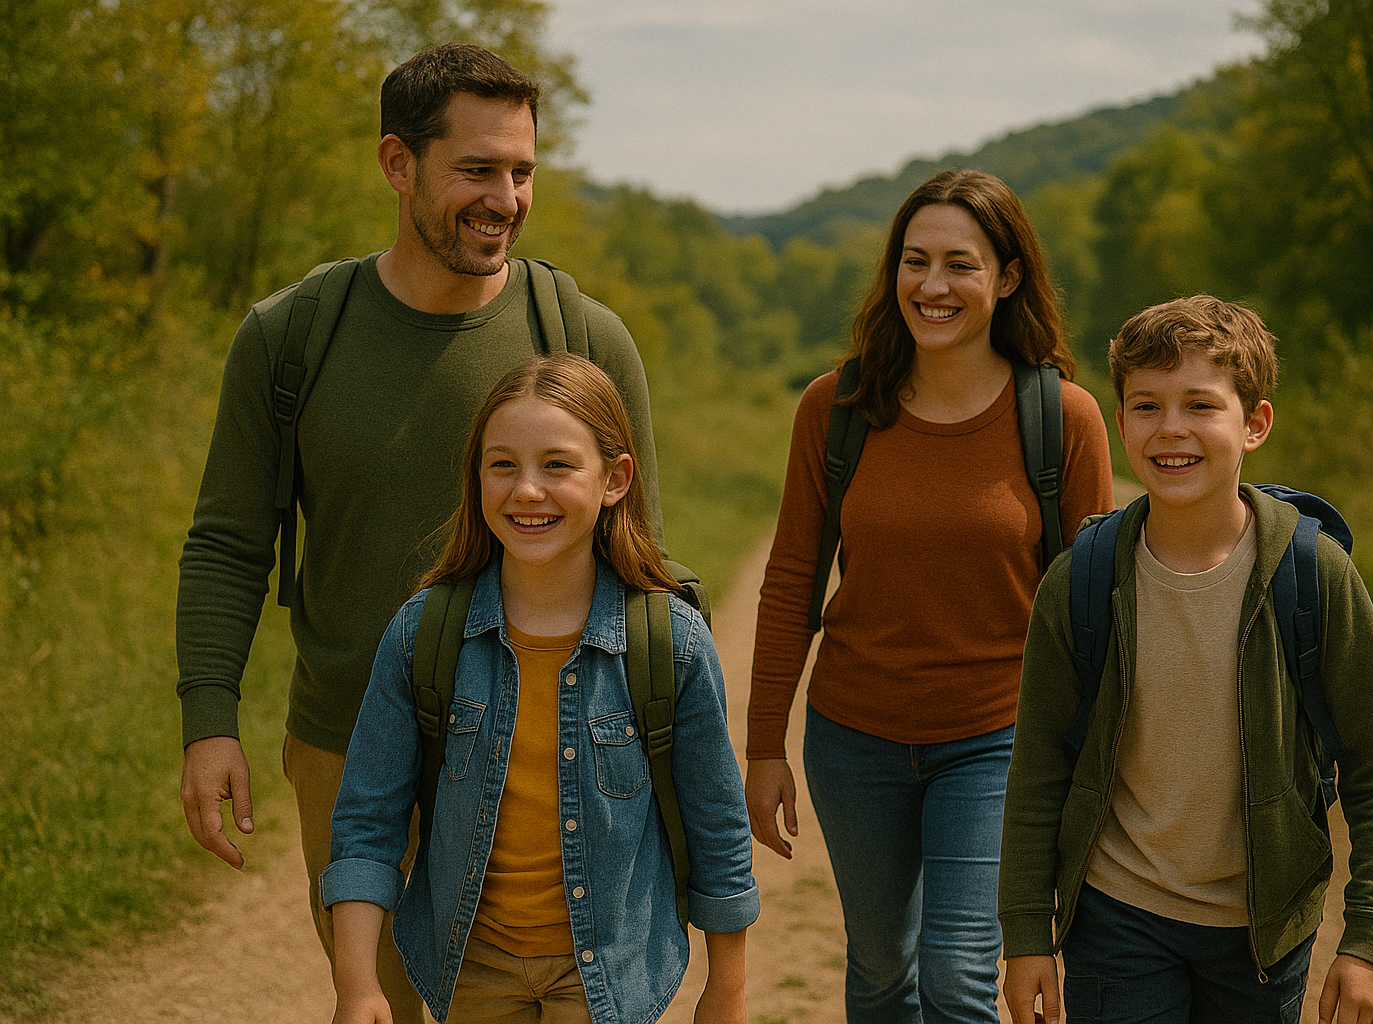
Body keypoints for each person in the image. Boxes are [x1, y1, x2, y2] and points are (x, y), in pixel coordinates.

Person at [175, 45, 665, 1023]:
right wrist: (209, 718)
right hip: (350, 749)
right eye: (477, 169)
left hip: (546, 749)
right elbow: (231, 542)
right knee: (380, 1005)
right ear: (398, 164)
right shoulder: (291, 337)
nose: (507, 197)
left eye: (522, 171)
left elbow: (640, 564)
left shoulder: (582, 339)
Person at [745, 168, 1115, 1023]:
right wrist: (766, 744)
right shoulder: (834, 409)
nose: (933, 286)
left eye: (960, 263)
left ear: (1009, 276)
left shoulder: (1064, 419)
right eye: (915, 262)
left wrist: (1098, 766)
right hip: (853, 738)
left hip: (997, 743)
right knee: (880, 967)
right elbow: (791, 582)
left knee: (956, 977)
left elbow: (1100, 614)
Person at [997, 296, 1373, 1024]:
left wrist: (1371, 938)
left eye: (1200, 405)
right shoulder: (1082, 580)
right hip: (1117, 914)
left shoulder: (1313, 576)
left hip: (1265, 929)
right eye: (1147, 405)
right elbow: (1038, 767)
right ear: (1121, 421)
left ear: (1253, 424)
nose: (1172, 430)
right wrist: (1026, 933)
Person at [321, 354, 757, 1024]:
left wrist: (725, 992)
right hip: (472, 967)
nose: (526, 490)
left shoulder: (669, 644)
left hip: (609, 970)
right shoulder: (423, 635)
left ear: (615, 479)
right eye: (503, 464)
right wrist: (357, 985)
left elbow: (717, 829)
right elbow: (366, 823)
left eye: (557, 465)